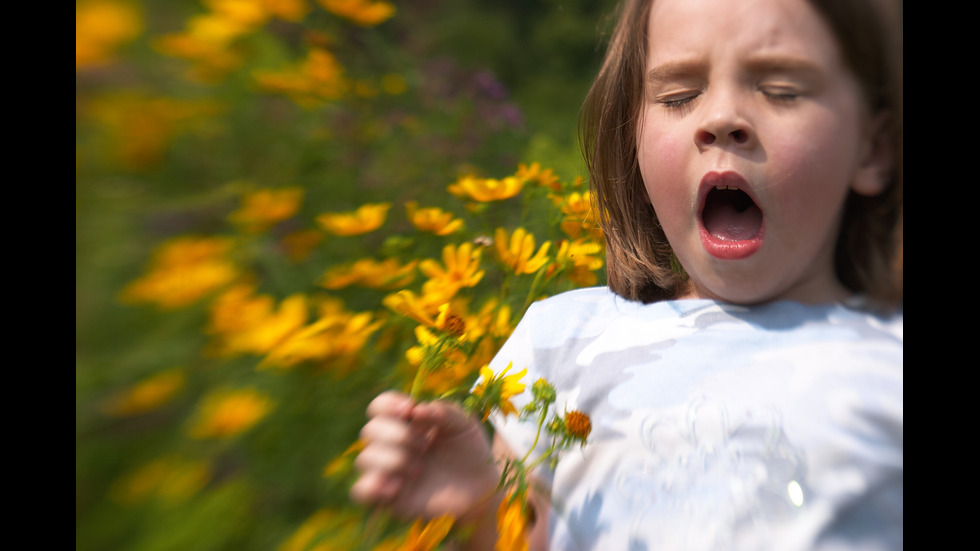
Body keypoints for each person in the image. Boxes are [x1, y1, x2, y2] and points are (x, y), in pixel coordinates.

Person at [350, 0, 903, 548]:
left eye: (781, 90)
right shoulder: (564, 341)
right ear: (631, 133)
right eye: (679, 96)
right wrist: (477, 508)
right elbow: (525, 537)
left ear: (873, 148)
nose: (720, 120)